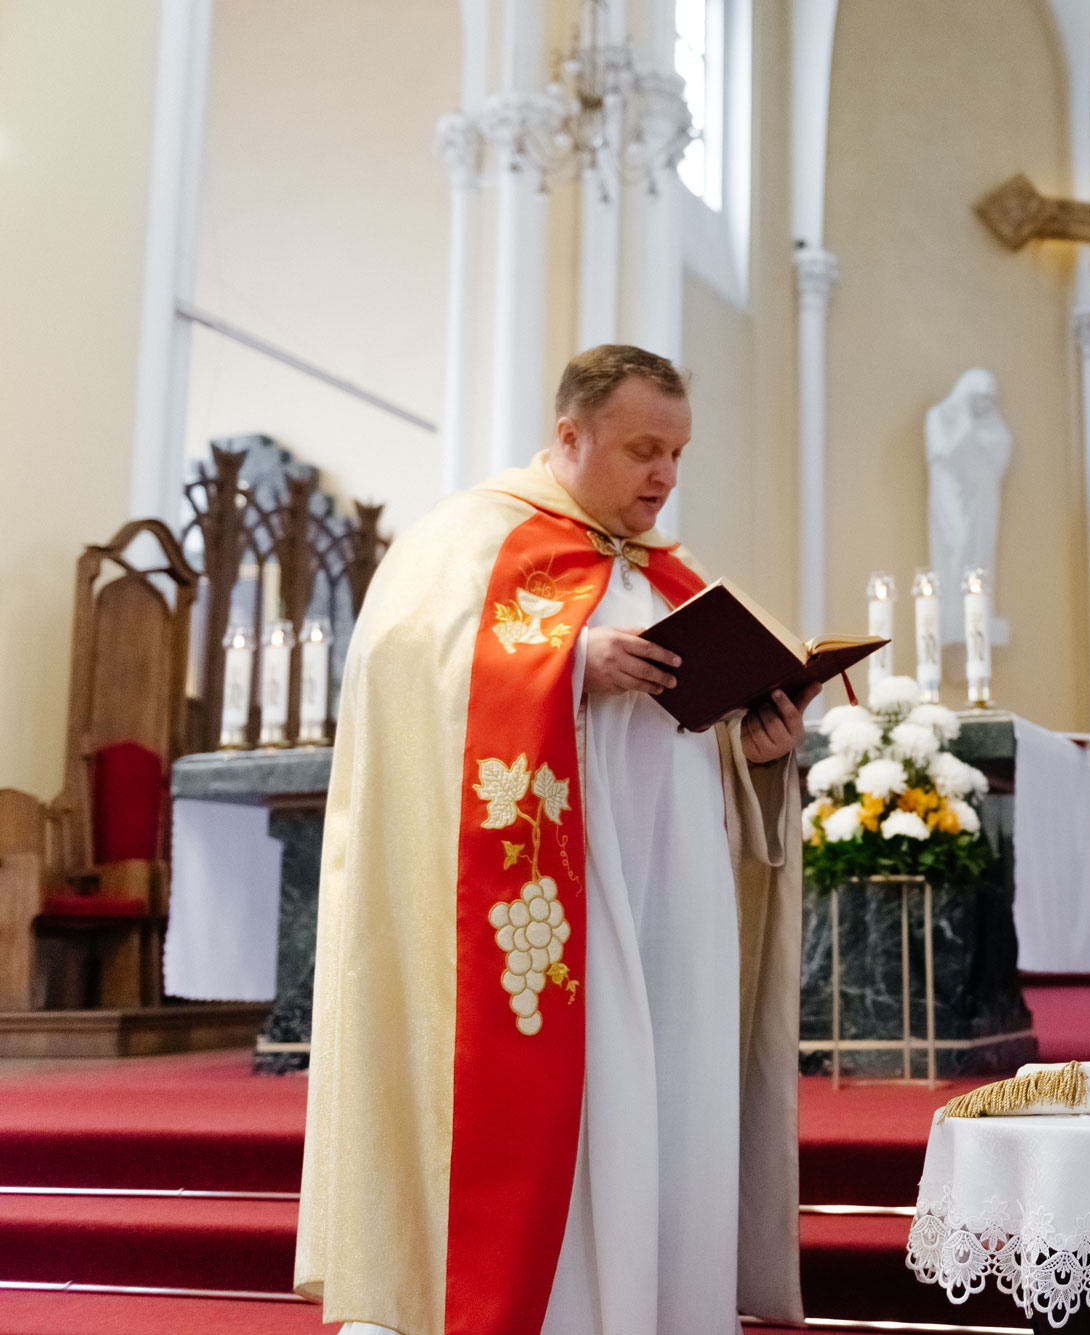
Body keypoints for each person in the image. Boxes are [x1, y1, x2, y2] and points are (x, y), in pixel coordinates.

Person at [296, 344, 813, 1335]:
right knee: (583, 1097)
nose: (664, 475)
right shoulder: (471, 536)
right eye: (641, 450)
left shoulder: (672, 573)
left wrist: (759, 747)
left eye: (676, 453)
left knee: (669, 1091)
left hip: (677, 890)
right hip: (561, 900)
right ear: (570, 437)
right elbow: (403, 666)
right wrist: (570, 663)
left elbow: (701, 731)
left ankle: (661, 1308)